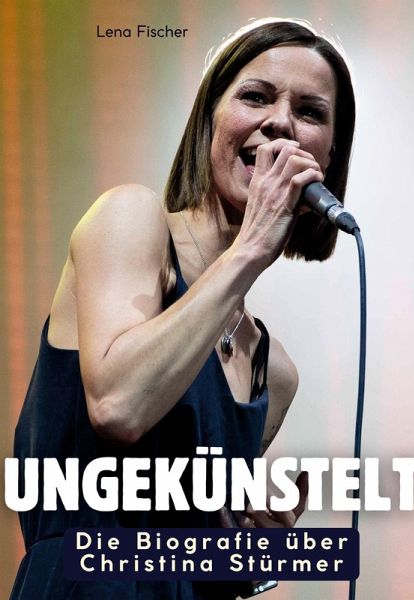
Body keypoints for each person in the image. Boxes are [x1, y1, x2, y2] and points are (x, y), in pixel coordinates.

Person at [10, 17, 356, 600]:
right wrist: (251, 248)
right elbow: (119, 406)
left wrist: (250, 550)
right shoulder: (129, 217)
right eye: (255, 96)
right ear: (209, 121)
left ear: (328, 154)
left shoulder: (274, 373)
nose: (280, 121)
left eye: (310, 111)